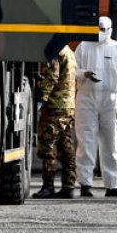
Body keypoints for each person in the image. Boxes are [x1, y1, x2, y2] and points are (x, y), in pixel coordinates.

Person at [74, 17, 117, 198]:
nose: (101, 32)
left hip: (111, 101)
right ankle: (85, 184)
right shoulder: (83, 46)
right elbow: (74, 71)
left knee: (112, 142)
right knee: (86, 141)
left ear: (111, 29)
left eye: (104, 28)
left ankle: (113, 185)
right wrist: (85, 74)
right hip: (87, 98)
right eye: (98, 28)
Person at [33, 44, 78, 199]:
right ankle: (69, 186)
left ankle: (48, 186)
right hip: (68, 105)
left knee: (48, 145)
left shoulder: (55, 51)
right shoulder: (69, 52)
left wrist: (41, 98)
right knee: (66, 147)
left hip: (55, 106)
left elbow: (52, 76)